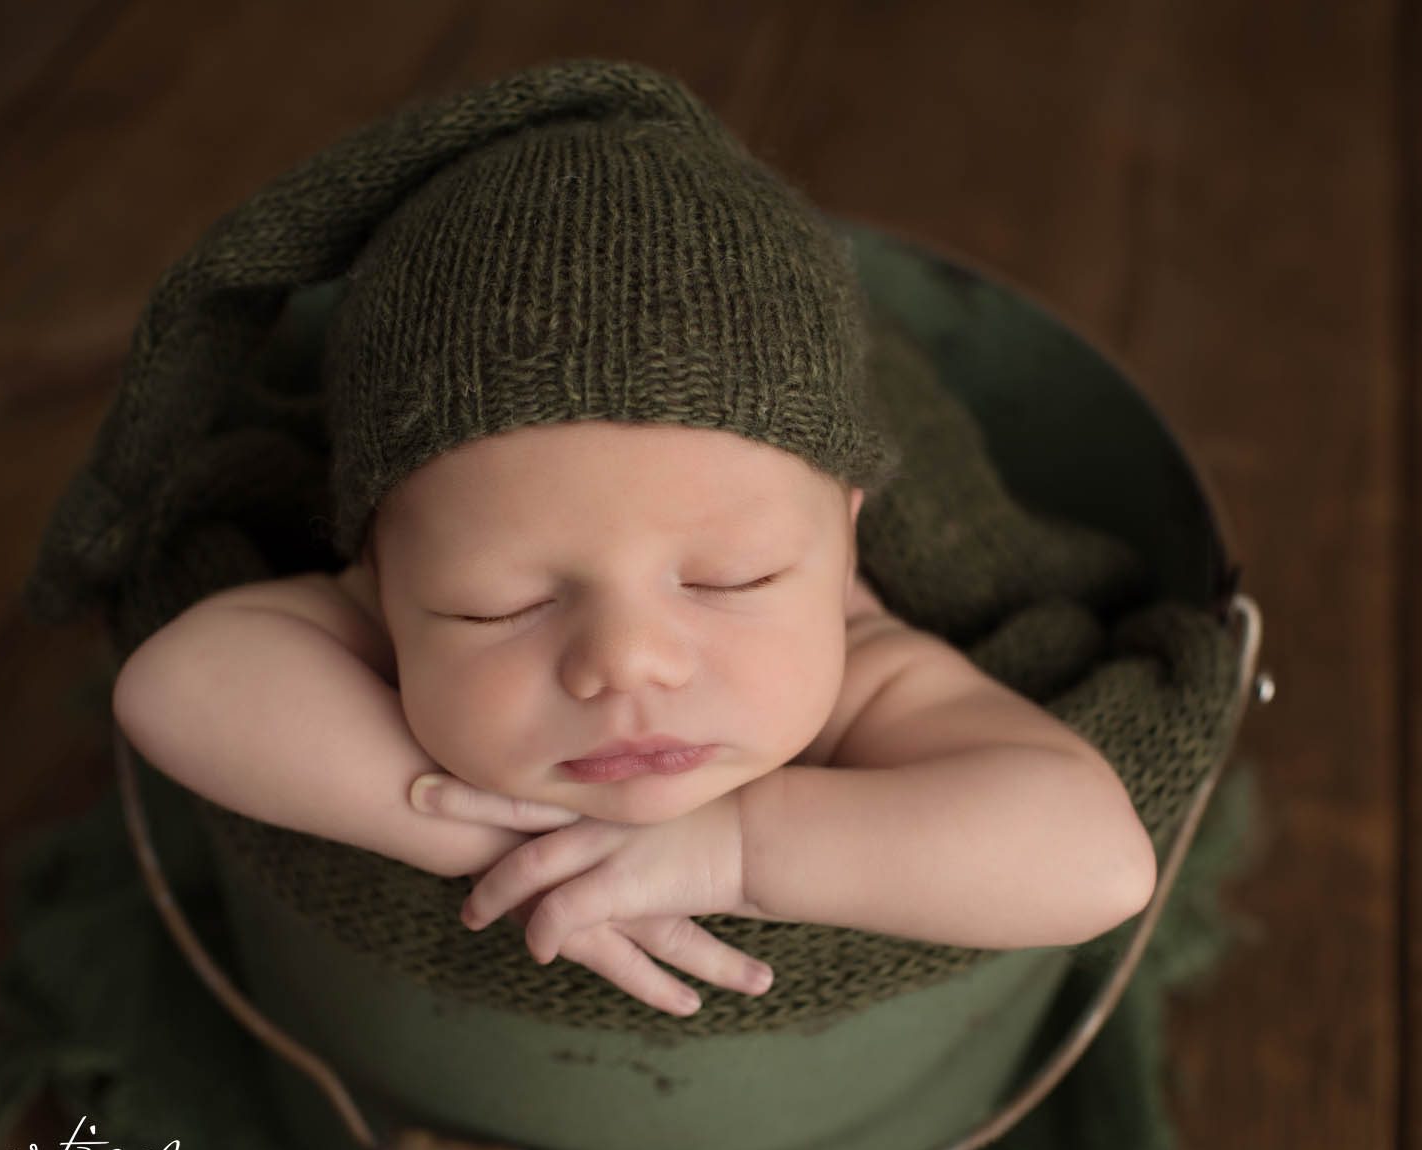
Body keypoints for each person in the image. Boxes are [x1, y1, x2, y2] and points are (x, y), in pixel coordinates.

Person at [110, 58, 1156, 1018]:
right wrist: (526, 846)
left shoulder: (865, 672)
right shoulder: (386, 609)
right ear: (380, 572)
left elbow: (1095, 859)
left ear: (843, 545)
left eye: (729, 576)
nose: (624, 658)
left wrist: (740, 849)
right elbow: (178, 685)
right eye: (504, 601)